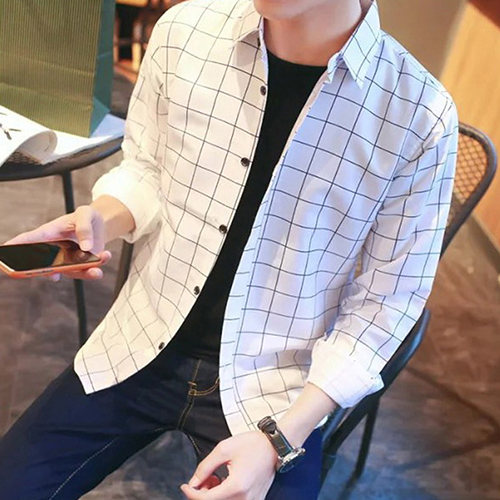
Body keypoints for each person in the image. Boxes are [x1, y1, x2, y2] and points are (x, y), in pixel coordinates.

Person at [0, 0, 458, 498]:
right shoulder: (184, 33)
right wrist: (100, 219)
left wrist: (280, 440)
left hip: (277, 390)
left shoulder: (418, 113)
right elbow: (149, 169)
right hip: (143, 337)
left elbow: (385, 303)